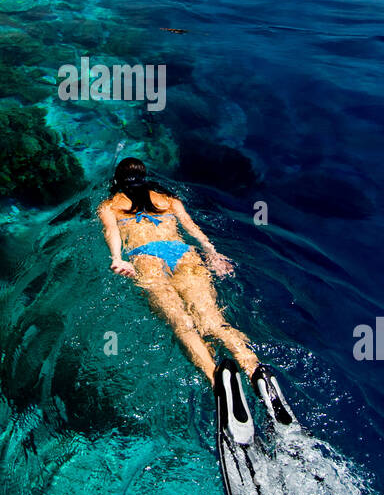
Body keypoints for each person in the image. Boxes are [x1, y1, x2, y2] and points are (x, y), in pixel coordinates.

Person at [98, 157, 263, 386]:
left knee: (182, 323)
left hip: (148, 258)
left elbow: (111, 232)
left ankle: (216, 380)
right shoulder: (169, 200)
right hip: (184, 254)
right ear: (145, 177)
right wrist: (212, 253)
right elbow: (191, 226)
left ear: (117, 179)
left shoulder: (110, 205)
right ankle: (255, 371)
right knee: (214, 322)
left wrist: (117, 258)